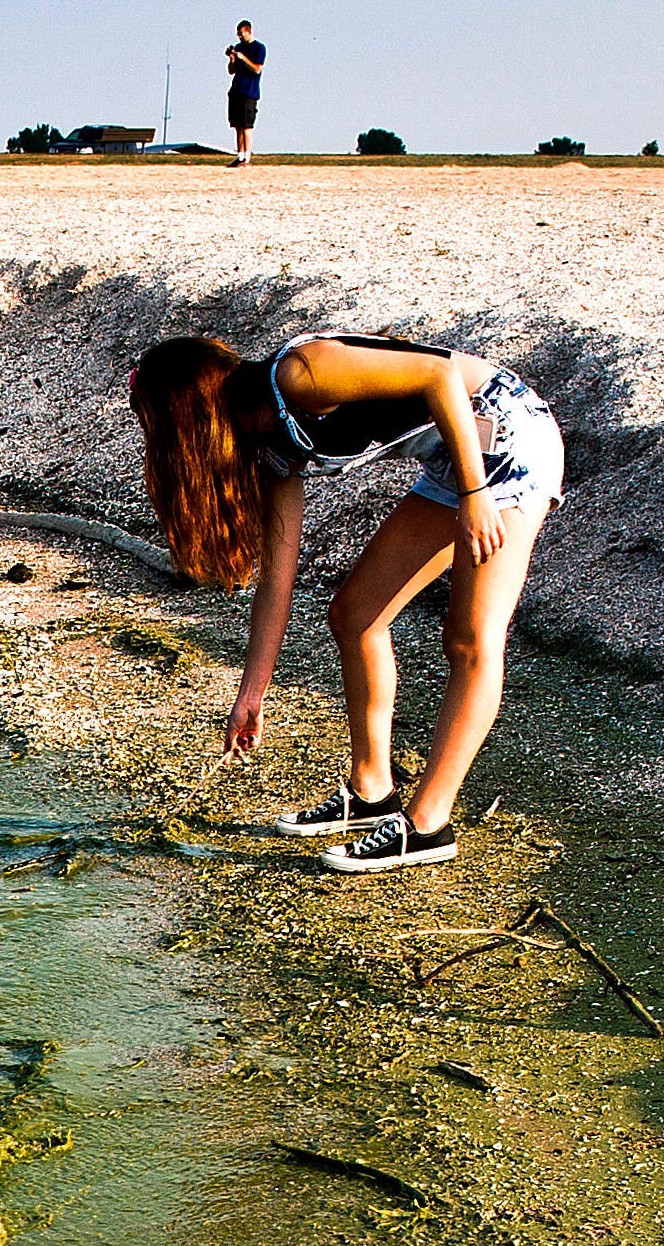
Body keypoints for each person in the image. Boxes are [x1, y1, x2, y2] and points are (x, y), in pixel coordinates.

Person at [127, 330, 569, 874]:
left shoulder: (301, 375)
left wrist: (474, 495)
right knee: (355, 616)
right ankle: (371, 791)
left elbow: (439, 375)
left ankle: (428, 824)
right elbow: (277, 580)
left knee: (471, 639)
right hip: (455, 461)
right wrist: (252, 693)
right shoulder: (270, 445)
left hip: (510, 441)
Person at [226, 23, 267, 166]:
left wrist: (243, 58)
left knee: (247, 125)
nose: (240, 37)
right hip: (236, 90)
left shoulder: (259, 48)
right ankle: (240, 155)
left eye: (242, 34)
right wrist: (232, 58)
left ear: (248, 32)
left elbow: (257, 69)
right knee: (237, 126)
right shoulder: (239, 47)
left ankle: (247, 157)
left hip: (249, 92)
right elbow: (231, 71)